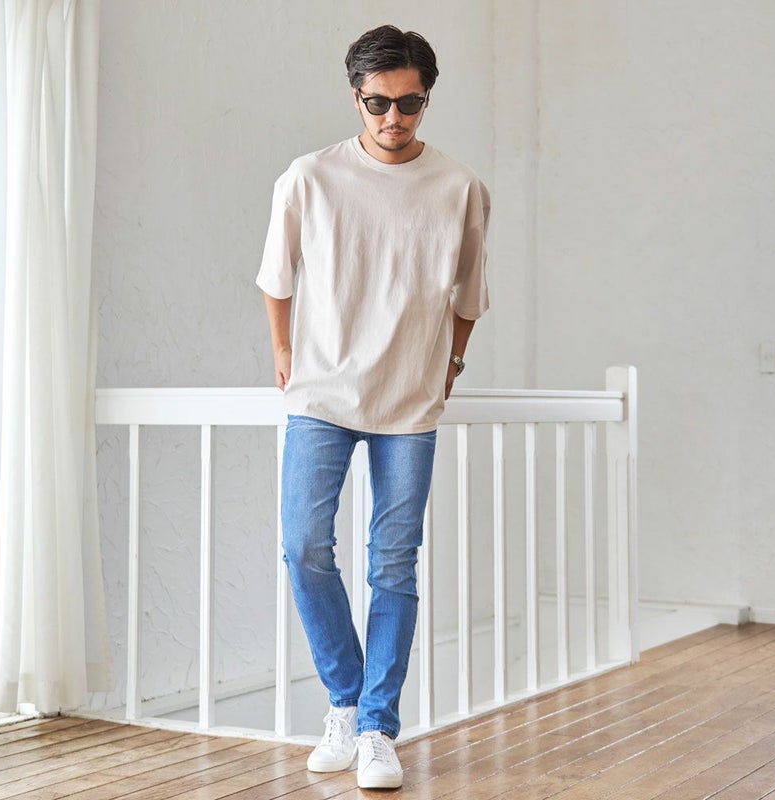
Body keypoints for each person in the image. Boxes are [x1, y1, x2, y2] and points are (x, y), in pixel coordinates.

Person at [256, 24, 489, 790]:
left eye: (409, 103)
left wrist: (452, 364)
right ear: (356, 97)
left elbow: (468, 296)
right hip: (321, 393)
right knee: (302, 545)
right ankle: (346, 702)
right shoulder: (309, 177)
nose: (394, 118)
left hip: (410, 401)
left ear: (427, 98)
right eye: (378, 103)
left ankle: (378, 728)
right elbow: (276, 275)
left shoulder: (459, 188)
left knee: (393, 562)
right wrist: (283, 350)